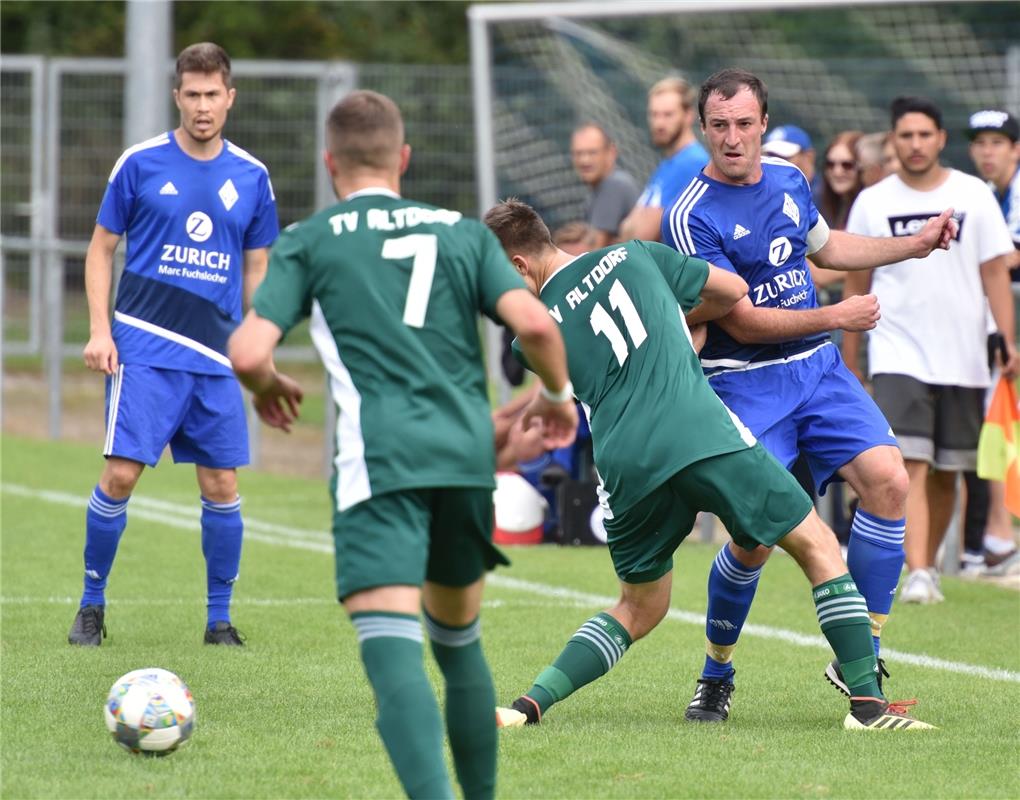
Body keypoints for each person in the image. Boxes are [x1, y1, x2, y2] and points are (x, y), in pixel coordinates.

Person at [228, 90, 577, 800]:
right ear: (404, 159)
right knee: (458, 642)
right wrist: (554, 399)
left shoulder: (312, 238)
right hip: (465, 460)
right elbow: (538, 328)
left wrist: (266, 385)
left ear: (330, 163)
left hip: (379, 464)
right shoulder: (464, 234)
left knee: (391, 652)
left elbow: (246, 350)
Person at [486, 198, 934, 732]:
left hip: (626, 464)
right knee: (815, 544)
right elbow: (731, 292)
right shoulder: (637, 255)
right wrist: (675, 322)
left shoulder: (531, 334)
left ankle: (526, 707)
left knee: (638, 607)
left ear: (518, 267)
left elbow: (569, 382)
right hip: (697, 431)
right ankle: (867, 706)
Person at [660, 69, 957, 720]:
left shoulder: (790, 179)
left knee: (887, 481)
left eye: (744, 124)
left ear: (763, 123)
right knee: (752, 539)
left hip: (817, 371)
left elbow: (826, 248)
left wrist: (913, 245)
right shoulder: (689, 216)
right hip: (744, 383)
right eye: (720, 126)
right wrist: (837, 316)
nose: (733, 138)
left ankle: (863, 655)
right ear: (703, 129)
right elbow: (738, 322)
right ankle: (716, 671)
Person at [68, 42, 279, 648]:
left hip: (215, 359)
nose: (203, 106)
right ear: (176, 95)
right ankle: (91, 606)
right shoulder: (139, 163)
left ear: (230, 97)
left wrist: (255, 338)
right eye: (193, 94)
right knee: (121, 476)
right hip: (146, 350)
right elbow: (101, 248)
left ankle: (219, 620)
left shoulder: (252, 175)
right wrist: (100, 330)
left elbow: (258, 265)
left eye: (214, 95)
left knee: (221, 487)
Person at [842, 97, 1018, 604]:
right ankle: (917, 569)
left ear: (940, 139)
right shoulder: (873, 201)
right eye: (906, 136)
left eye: (924, 135)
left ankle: (930, 564)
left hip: (963, 355)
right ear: (893, 141)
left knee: (948, 471)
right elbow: (857, 279)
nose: (915, 144)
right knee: (908, 462)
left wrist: (1007, 342)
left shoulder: (974, 195)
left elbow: (994, 273)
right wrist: (851, 361)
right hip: (898, 350)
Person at [962, 110, 1020, 575]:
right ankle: (996, 538)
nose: (987, 151)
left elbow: (1005, 255)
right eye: (980, 142)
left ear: (1015, 149)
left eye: (998, 142)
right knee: (995, 428)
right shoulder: (983, 194)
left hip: (1008, 322)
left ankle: (999, 536)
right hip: (996, 324)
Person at [618, 77, 709, 242]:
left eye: (668, 115)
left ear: (688, 115)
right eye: (654, 114)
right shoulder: (668, 164)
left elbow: (641, 238)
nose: (659, 123)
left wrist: (632, 226)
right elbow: (628, 227)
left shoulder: (690, 163)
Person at [570, 123, 640, 248]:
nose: (584, 160)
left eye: (592, 153)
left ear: (611, 152)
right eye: (578, 153)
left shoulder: (614, 185)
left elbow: (594, 252)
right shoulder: (597, 190)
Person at [818, 131, 864, 231]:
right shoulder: (834, 206)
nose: (837, 172)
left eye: (847, 165)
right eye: (830, 164)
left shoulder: (871, 206)